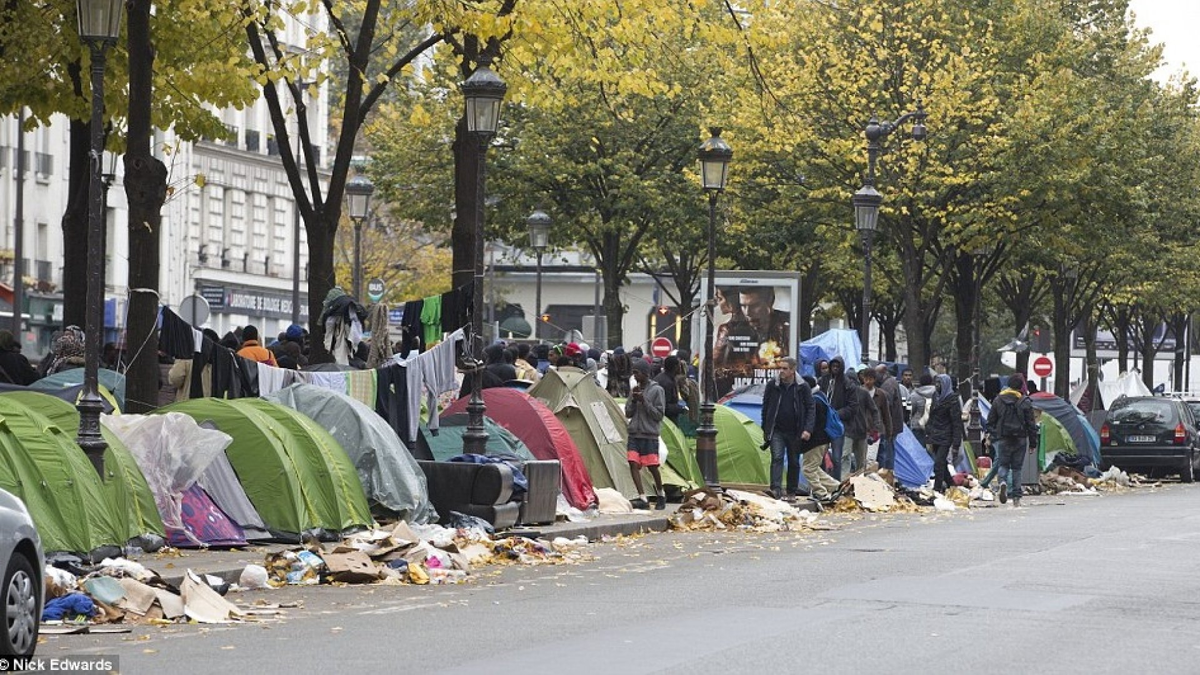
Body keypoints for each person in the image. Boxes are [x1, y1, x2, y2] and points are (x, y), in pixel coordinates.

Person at [760, 357, 815, 500]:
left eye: (785, 368)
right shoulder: (773, 385)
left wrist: (807, 429)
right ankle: (775, 490)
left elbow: (810, 408)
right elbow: (766, 406)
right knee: (777, 458)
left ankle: (791, 491)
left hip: (795, 430)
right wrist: (766, 428)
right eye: (780, 368)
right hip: (777, 429)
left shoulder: (802, 386)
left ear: (792, 370)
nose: (781, 371)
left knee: (794, 461)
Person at [985, 373, 1038, 506]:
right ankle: (1016, 498)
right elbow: (1031, 424)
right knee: (1017, 468)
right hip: (1020, 438)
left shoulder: (998, 400)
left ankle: (1002, 482)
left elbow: (990, 422)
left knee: (1003, 465)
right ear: (1021, 387)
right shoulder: (1025, 402)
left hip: (1003, 438)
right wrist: (1032, 443)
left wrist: (996, 434)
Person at [625, 359, 666, 510]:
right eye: (633, 373)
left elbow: (658, 414)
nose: (635, 376)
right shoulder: (634, 390)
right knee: (632, 463)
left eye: (637, 373)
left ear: (645, 373)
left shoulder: (657, 390)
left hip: (649, 434)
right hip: (634, 433)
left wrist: (644, 401)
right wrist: (634, 401)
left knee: (652, 466)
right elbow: (628, 413)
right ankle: (642, 497)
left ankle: (660, 494)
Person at [800, 376, 842, 504]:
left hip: (815, 441)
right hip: (822, 440)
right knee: (813, 467)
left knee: (808, 469)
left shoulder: (814, 402)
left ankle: (821, 493)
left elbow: (813, 424)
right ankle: (836, 486)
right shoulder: (820, 396)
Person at [820, 356, 858, 479]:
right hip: (823, 423)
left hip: (838, 425)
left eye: (838, 367)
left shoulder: (848, 385)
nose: (835, 369)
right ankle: (821, 484)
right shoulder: (823, 381)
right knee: (820, 456)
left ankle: (836, 484)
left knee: (837, 458)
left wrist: (836, 414)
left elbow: (853, 407)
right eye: (833, 366)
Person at [926, 374, 964, 493]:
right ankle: (952, 486)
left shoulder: (952, 399)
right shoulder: (935, 397)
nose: (937, 386)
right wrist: (929, 434)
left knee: (939, 463)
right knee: (941, 463)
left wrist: (956, 443)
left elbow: (956, 422)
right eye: (936, 383)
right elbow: (931, 417)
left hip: (946, 435)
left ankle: (937, 489)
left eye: (939, 383)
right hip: (935, 434)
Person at [842, 366, 882, 477]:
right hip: (847, 431)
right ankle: (843, 483)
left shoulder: (863, 393)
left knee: (860, 461)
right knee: (845, 457)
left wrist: (876, 427)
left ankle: (859, 483)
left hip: (861, 431)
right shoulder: (843, 393)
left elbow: (874, 410)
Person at [874, 364, 904, 471]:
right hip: (893, 423)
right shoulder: (891, 382)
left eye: (876, 373)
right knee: (889, 449)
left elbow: (886, 406)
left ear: (883, 372)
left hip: (890, 425)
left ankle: (887, 472)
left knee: (887, 451)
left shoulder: (887, 385)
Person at [908, 372, 937, 449]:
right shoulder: (937, 394)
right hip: (934, 426)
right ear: (931, 382)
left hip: (918, 425)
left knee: (918, 450)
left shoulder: (915, 395)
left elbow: (910, 410)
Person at [654, 355, 683, 425]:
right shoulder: (667, 383)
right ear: (675, 367)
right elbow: (665, 406)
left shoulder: (664, 378)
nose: (681, 368)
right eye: (679, 365)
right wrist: (680, 408)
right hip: (666, 422)